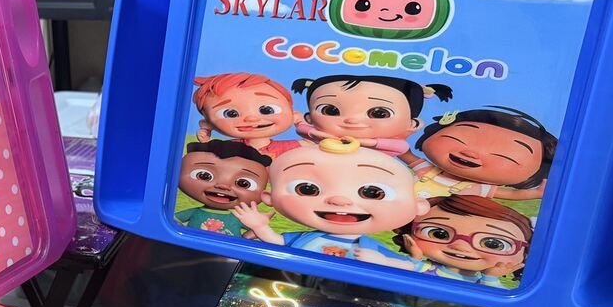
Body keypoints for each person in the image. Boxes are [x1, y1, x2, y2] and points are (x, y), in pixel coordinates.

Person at [233, 137, 425, 268]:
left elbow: (410, 266)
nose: (339, 201)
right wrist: (259, 226)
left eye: (373, 193)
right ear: (269, 197)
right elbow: (277, 241)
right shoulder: (304, 237)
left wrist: (384, 261)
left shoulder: (370, 246)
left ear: (418, 206)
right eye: (307, 189)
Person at [405, 106, 557, 201]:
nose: (470, 153)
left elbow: (511, 195)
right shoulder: (426, 170)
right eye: (463, 136)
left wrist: (537, 193)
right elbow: (405, 153)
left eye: (503, 154)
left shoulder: (477, 188)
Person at [291, 74, 452, 155]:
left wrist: (365, 142)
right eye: (330, 110)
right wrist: (314, 131)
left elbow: (401, 147)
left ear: (412, 124)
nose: (352, 120)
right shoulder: (318, 136)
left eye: (379, 113)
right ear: (309, 117)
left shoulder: (390, 145)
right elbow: (303, 129)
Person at [392, 195, 533, 285]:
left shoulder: (482, 282)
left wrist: (490, 277)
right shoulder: (425, 267)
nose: (460, 247)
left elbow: (494, 300)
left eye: (493, 244)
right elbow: (401, 272)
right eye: (438, 234)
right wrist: (414, 258)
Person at [191, 72, 300, 159]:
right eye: (231, 113)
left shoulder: (289, 147)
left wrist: (301, 124)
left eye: (267, 110)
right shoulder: (229, 148)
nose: (251, 118)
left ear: (293, 114)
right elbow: (210, 156)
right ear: (207, 123)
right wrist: (205, 141)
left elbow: (310, 145)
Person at [175, 140, 271, 237]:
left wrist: (253, 232)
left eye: (243, 184)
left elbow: (257, 231)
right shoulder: (195, 212)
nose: (223, 186)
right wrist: (183, 234)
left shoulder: (238, 218)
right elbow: (174, 220)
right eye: (204, 176)